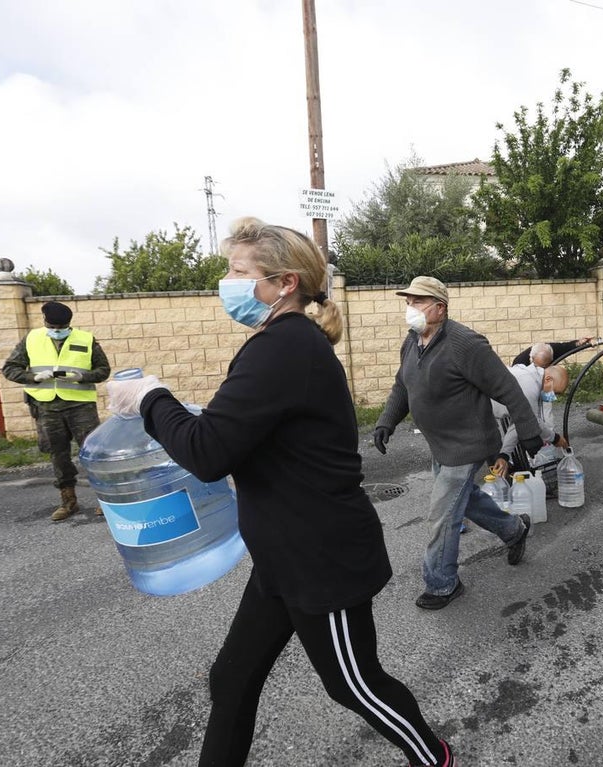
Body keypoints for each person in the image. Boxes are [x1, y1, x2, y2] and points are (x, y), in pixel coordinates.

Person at [105, 220, 453, 767]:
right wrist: (178, 411)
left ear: (284, 282)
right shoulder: (282, 345)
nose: (228, 282)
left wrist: (152, 398)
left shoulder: (283, 348)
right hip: (281, 555)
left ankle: (436, 759)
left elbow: (207, 452)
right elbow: (235, 431)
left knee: (355, 685)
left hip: (319, 557)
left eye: (239, 272)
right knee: (232, 677)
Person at [373, 276, 544, 611]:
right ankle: (514, 530)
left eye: (419, 302)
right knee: (463, 501)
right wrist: (386, 421)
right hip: (440, 443)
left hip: (467, 444)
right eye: (408, 302)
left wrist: (528, 431)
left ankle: (442, 584)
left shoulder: (466, 344)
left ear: (440, 308)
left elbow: (508, 387)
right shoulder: (412, 340)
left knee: (443, 515)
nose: (411, 308)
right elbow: (402, 386)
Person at [2, 300, 110, 521]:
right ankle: (68, 502)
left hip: (81, 407)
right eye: (53, 328)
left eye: (61, 328)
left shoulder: (85, 339)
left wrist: (84, 377)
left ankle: (106, 502)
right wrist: (33, 377)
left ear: (69, 324)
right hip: (47, 407)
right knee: (58, 456)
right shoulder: (32, 339)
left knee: (93, 454)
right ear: (45, 322)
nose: (57, 332)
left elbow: (103, 370)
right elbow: (9, 369)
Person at [492, 351, 571, 478]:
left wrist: (504, 455)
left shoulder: (528, 375)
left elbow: (519, 421)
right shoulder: (529, 386)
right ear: (548, 379)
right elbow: (532, 420)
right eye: (554, 392)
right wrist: (555, 438)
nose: (553, 397)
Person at [510, 336, 593, 367]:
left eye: (546, 365)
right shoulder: (520, 363)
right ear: (532, 359)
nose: (542, 370)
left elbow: (566, 348)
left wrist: (580, 343)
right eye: (540, 367)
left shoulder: (550, 349)